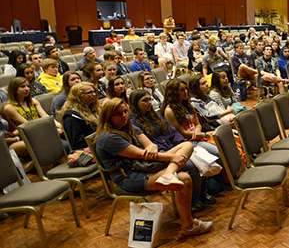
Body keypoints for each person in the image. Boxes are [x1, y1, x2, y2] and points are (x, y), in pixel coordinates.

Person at [95, 99, 214, 235]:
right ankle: (189, 225)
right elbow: (141, 155)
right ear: (108, 117)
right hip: (129, 177)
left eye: (125, 112)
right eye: (118, 114)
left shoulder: (128, 126)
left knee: (187, 145)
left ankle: (168, 175)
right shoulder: (108, 137)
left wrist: (152, 147)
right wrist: (171, 157)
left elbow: (151, 145)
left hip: (144, 166)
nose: (124, 116)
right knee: (184, 179)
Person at [130, 90, 219, 212]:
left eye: (149, 99)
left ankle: (202, 195)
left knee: (201, 158)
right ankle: (193, 202)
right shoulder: (133, 123)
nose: (149, 103)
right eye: (144, 101)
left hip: (175, 147)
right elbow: (149, 146)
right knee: (192, 166)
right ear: (135, 103)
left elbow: (173, 133)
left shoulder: (155, 115)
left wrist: (181, 145)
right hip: (163, 154)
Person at [4, 77, 69, 153]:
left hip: (42, 131)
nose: (27, 89)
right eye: (22, 86)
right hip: (29, 136)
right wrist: (53, 130)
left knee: (67, 135)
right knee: (64, 146)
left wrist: (60, 126)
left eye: (28, 86)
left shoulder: (33, 101)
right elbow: (28, 125)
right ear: (14, 89)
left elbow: (46, 117)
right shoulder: (9, 107)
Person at [61, 82, 100, 151]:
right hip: (88, 149)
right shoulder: (71, 117)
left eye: (94, 92)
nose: (94, 94)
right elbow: (78, 142)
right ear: (79, 96)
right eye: (89, 93)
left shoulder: (93, 108)